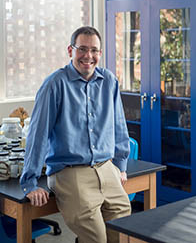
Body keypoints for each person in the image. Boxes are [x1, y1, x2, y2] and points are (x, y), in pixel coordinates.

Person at [20, 26, 131, 243]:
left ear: (100, 53)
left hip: (106, 168)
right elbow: (38, 135)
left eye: (94, 50)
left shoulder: (109, 81)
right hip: (71, 173)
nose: (88, 56)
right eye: (82, 49)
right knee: (97, 239)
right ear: (70, 50)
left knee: (125, 234)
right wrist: (30, 183)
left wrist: (121, 164)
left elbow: (119, 124)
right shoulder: (54, 84)